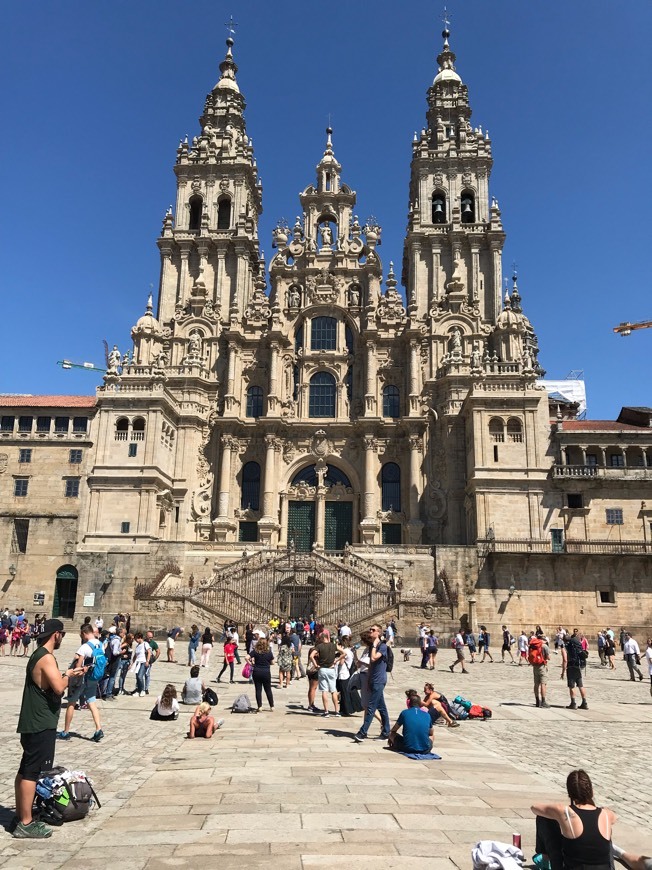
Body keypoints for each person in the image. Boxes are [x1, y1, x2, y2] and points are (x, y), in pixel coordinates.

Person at [14, 619, 86, 839]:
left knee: (26, 768)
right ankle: (26, 823)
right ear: (56, 635)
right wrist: (69, 675)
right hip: (40, 722)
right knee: (32, 772)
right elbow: (57, 686)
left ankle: (22, 814)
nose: (62, 637)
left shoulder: (38, 655)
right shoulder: (46, 657)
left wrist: (66, 674)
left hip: (32, 720)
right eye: (62, 634)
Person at [531, 769, 615, 870]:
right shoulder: (607, 814)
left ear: (570, 794)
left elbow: (534, 808)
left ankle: (545, 860)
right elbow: (614, 819)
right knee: (606, 832)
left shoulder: (564, 811)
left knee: (544, 817)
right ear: (591, 791)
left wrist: (558, 817)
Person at [57, 623, 104, 742]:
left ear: (84, 633)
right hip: (94, 678)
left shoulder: (84, 647)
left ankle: (66, 731)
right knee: (92, 702)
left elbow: (78, 665)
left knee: (71, 703)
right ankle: (98, 728)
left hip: (82, 679)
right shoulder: (100, 644)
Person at [354, 624, 391, 743]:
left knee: (371, 706)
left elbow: (374, 658)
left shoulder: (382, 646)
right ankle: (386, 732)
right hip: (373, 679)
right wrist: (369, 679)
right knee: (382, 708)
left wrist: (374, 645)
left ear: (379, 633)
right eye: (370, 629)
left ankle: (362, 732)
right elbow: (370, 665)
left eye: (373, 630)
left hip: (380, 680)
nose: (370, 631)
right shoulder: (372, 647)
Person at [310, 629, 340, 718]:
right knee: (333, 690)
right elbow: (344, 653)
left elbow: (311, 655)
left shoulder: (319, 646)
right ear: (328, 638)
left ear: (322, 638)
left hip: (322, 669)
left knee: (324, 690)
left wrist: (316, 665)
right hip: (331, 669)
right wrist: (336, 660)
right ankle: (337, 711)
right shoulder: (334, 645)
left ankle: (326, 711)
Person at [562, 630, 588, 710]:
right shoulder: (575, 645)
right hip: (578, 666)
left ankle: (573, 703)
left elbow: (565, 660)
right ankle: (584, 703)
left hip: (571, 667)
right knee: (580, 685)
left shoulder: (566, 647)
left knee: (571, 686)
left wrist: (563, 671)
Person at [249, 636, 275, 712]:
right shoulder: (269, 651)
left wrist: (251, 664)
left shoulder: (255, 651)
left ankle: (259, 706)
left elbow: (246, 657)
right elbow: (273, 662)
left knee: (258, 689)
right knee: (268, 689)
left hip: (256, 672)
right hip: (266, 672)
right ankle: (271, 706)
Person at [529, 630, 550, 708]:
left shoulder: (533, 645)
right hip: (542, 666)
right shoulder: (544, 646)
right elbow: (548, 657)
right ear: (543, 638)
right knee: (543, 684)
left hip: (535, 666)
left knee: (536, 684)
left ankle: (537, 701)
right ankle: (543, 701)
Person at [129, 631, 150, 697]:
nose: (136, 640)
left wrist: (147, 661)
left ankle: (143, 690)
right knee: (137, 677)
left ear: (139, 638)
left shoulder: (145, 644)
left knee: (140, 676)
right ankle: (138, 690)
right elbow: (135, 655)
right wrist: (132, 663)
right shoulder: (138, 646)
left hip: (143, 662)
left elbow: (149, 652)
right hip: (137, 662)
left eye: (136, 639)